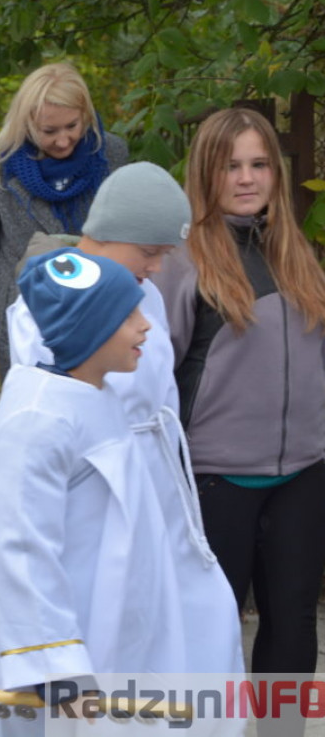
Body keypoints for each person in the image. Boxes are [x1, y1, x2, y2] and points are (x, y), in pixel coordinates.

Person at [0, 248, 210, 735]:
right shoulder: (38, 420)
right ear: (89, 329)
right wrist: (57, 669)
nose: (147, 327)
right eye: (128, 316)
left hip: (106, 612)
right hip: (70, 640)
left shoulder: (95, 396)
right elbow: (21, 546)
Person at [6, 163, 244, 680]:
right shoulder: (49, 301)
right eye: (149, 251)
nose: (157, 267)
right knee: (110, 615)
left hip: (155, 478)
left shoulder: (145, 294)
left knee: (182, 616)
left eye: (165, 254)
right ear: (111, 234)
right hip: (96, 487)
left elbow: (160, 390)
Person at [154, 108, 325, 735]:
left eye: (258, 164)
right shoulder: (180, 262)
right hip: (215, 480)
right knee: (211, 634)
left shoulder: (296, 253)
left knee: (293, 625)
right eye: (231, 166)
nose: (247, 178)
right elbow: (154, 376)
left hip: (303, 474)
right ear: (206, 172)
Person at [0, 61, 129, 384]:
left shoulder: (110, 155)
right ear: (27, 123)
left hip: (101, 318)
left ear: (86, 114)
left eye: (72, 126)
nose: (63, 140)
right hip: (29, 328)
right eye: (49, 131)